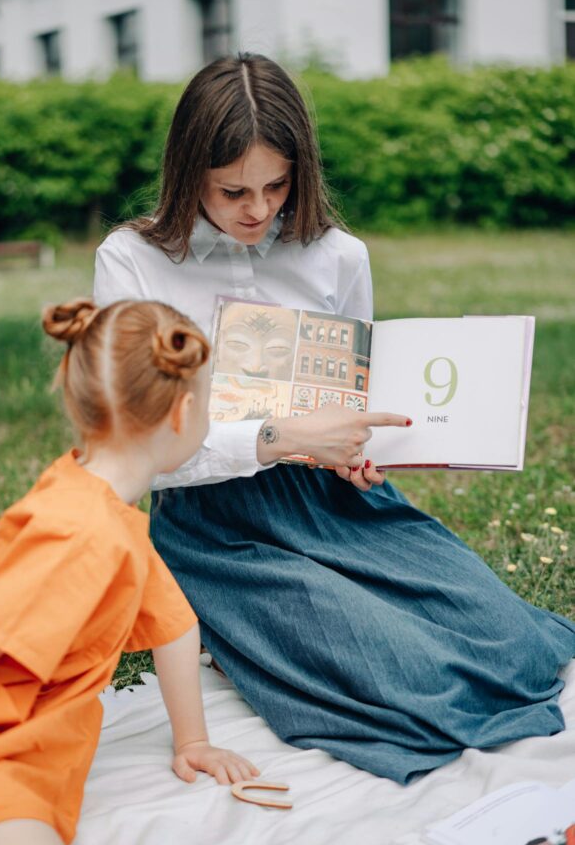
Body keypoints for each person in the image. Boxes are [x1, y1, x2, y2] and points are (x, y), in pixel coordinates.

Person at [94, 52, 575, 787]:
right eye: (232, 191)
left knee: (515, 644)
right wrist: (276, 437)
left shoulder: (337, 254)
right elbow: (136, 446)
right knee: (405, 675)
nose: (257, 209)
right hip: (216, 520)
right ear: (188, 170)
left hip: (335, 498)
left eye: (276, 185)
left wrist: (357, 448)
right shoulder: (131, 262)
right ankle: (243, 628)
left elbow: (355, 388)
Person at [0, 297, 259, 845]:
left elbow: (173, 624)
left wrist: (192, 742)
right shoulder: (83, 532)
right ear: (184, 410)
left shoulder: (105, 509)